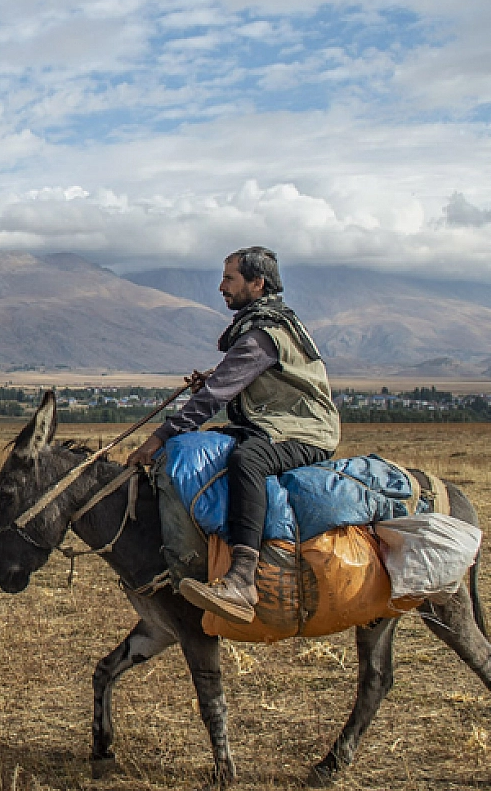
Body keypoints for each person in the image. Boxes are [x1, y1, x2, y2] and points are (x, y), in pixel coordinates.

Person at [126, 247, 340, 624]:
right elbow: (244, 385)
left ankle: (243, 577)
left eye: (230, 278)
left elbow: (215, 397)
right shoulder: (265, 325)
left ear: (257, 284)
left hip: (303, 432)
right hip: (273, 424)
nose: (221, 286)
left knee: (246, 460)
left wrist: (158, 437)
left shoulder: (264, 333)